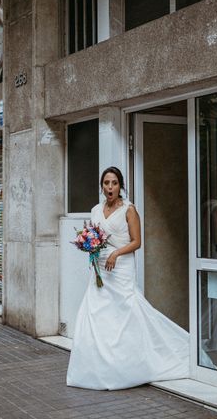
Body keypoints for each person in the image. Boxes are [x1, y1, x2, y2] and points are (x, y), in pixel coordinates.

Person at [66, 166, 190, 390]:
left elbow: (136, 242)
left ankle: (137, 364)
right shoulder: (95, 210)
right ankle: (98, 369)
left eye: (114, 183)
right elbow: (94, 235)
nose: (110, 187)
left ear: (120, 185)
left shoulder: (129, 210)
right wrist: (90, 248)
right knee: (96, 314)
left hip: (121, 267)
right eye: (106, 183)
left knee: (126, 313)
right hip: (100, 268)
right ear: (102, 186)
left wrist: (115, 253)